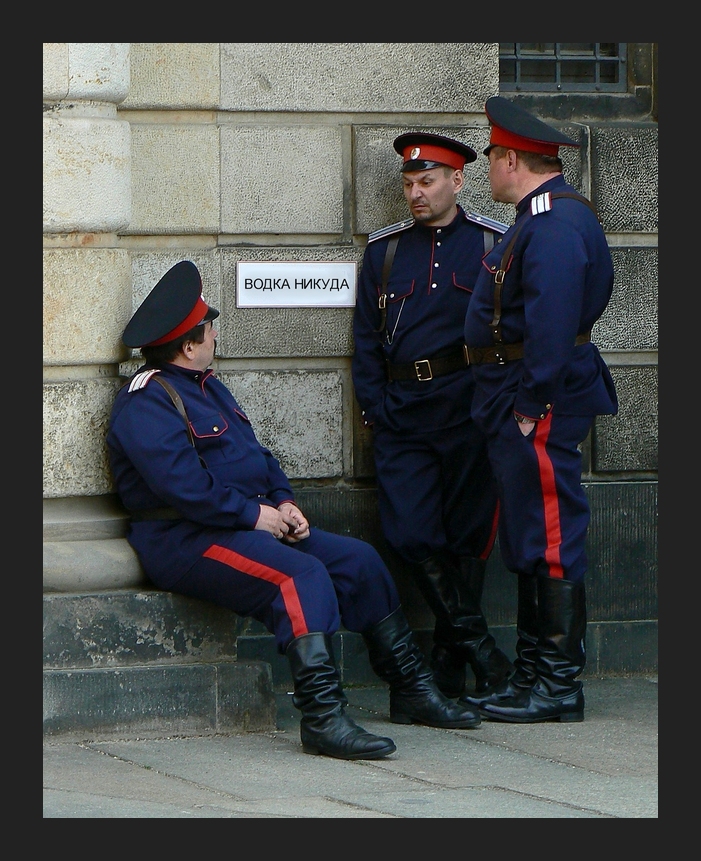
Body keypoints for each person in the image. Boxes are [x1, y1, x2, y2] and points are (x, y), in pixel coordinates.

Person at [107, 260, 481, 761]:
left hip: (249, 520)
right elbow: (185, 488)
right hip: (185, 538)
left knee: (360, 562)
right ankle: (323, 718)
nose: (216, 335)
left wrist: (282, 500)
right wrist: (253, 516)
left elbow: (257, 456)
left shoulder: (207, 386)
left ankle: (411, 689)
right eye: (209, 328)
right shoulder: (147, 401)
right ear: (190, 344)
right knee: (299, 578)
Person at [460, 97, 619, 723]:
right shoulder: (541, 218)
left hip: (536, 395)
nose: (488, 173)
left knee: (551, 532)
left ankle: (555, 686)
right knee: (530, 531)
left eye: (491, 160)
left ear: (508, 158)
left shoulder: (552, 223)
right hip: (520, 391)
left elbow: (551, 323)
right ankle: (531, 677)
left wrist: (532, 401)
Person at [352, 132, 514, 700]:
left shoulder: (496, 246)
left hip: (470, 414)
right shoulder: (385, 251)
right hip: (404, 414)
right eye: (408, 184)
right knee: (410, 532)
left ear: (457, 181)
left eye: (426, 182)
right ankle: (484, 651)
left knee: (469, 535)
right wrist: (376, 407)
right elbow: (366, 341)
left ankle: (449, 667)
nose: (416, 194)